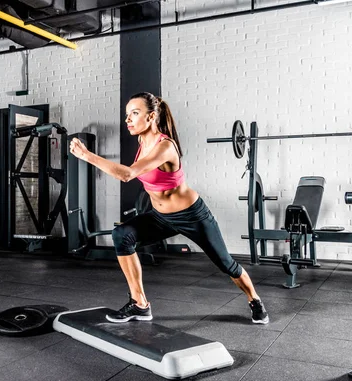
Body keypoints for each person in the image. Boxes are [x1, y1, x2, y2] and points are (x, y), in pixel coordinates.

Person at [69, 92, 269, 325]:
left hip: (192, 215)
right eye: (127, 115)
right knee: (121, 235)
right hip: (160, 217)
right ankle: (140, 304)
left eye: (135, 113)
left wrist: (86, 155)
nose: (128, 120)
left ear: (151, 116)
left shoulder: (165, 146)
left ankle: (254, 299)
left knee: (226, 264)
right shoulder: (142, 141)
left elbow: (127, 174)